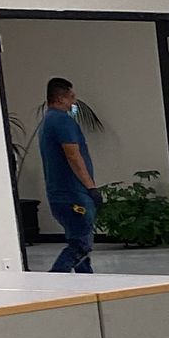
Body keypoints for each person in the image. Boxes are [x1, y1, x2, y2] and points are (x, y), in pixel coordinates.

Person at [37, 76, 99, 273]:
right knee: (81, 245)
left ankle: (88, 287)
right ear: (60, 99)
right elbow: (73, 155)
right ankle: (53, 283)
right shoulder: (62, 121)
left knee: (80, 249)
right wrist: (91, 187)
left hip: (59, 194)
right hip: (74, 194)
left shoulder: (47, 121)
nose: (74, 102)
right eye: (71, 97)